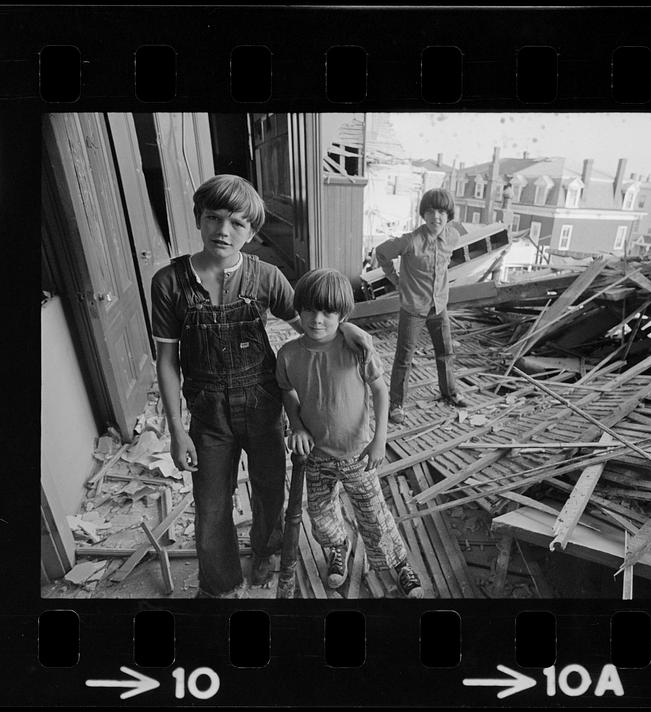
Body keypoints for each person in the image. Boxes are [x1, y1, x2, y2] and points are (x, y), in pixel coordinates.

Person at [151, 174, 373, 598]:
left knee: (270, 488)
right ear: (198, 219)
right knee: (211, 502)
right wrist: (178, 432)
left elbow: (313, 325)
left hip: (263, 402)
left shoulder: (267, 277)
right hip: (208, 412)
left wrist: (349, 331)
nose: (223, 230)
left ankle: (267, 551)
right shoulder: (168, 283)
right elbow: (166, 361)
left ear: (251, 232)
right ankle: (219, 583)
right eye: (214, 218)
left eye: (237, 223)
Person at [275, 268, 424, 598]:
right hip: (316, 457)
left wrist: (379, 439)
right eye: (310, 310)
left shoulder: (357, 349)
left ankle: (399, 563)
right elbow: (287, 392)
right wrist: (297, 426)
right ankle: (337, 549)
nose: (317, 320)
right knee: (321, 513)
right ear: (298, 309)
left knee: (374, 513)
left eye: (328, 312)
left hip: (358, 454)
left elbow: (381, 393)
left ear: (342, 314)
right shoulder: (288, 355)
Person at [375, 187, 467, 425]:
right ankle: (396, 404)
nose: (436, 216)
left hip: (439, 305)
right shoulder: (410, 241)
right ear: (423, 214)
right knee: (404, 357)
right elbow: (382, 252)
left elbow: (446, 261)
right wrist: (395, 280)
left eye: (442, 212)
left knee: (445, 351)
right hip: (414, 308)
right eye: (431, 211)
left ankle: (449, 392)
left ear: (449, 216)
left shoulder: (453, 236)